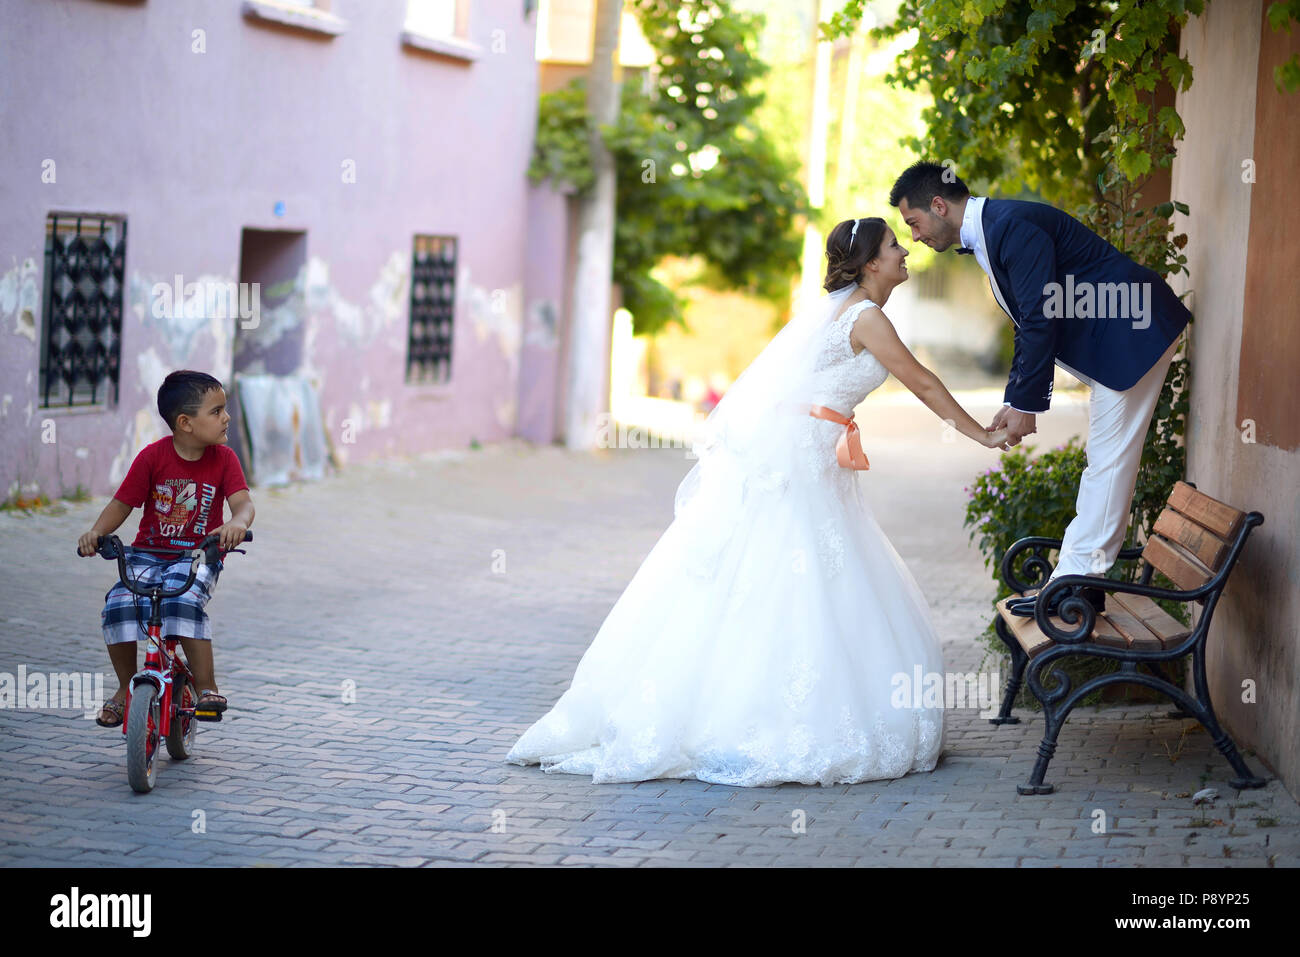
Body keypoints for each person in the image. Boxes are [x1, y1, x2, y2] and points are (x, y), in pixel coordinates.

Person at [506, 218, 1010, 787]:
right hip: (804, 462)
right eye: (895, 245)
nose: (905, 252)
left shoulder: (848, 313)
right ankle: (753, 719)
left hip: (812, 454)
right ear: (871, 263)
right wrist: (984, 435)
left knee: (789, 568)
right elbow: (921, 381)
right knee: (801, 573)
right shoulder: (867, 317)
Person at [889, 161, 1190, 618]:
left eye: (913, 223)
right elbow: (1028, 320)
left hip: (1132, 334)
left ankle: (1077, 585)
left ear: (938, 205)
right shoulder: (998, 227)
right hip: (1121, 338)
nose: (913, 236)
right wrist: (1016, 400)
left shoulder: (1011, 226)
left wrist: (1027, 405)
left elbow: (1039, 317)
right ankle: (1074, 582)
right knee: (1105, 462)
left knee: (1108, 462)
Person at [77, 370, 254, 727]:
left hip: (198, 555)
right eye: (217, 411)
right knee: (118, 604)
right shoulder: (152, 457)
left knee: (182, 603)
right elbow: (122, 504)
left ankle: (206, 686)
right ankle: (127, 688)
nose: (227, 417)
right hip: (147, 554)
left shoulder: (225, 460)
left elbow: (244, 503)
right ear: (186, 423)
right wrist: (96, 532)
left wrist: (237, 523)